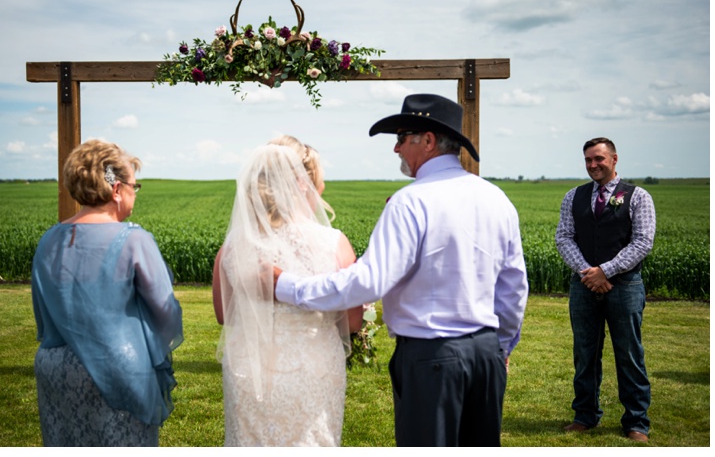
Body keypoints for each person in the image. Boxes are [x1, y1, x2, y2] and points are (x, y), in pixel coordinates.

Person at [274, 93, 529, 447]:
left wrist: (287, 287)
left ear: (427, 141)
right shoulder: (496, 198)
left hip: (431, 357)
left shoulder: (410, 202)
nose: (395, 149)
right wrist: (500, 348)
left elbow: (371, 280)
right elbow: (513, 286)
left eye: (401, 137)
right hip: (485, 355)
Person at [31, 139, 184, 446]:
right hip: (118, 368)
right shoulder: (133, 239)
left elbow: (42, 312)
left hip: (56, 369)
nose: (134, 194)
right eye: (133, 186)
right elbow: (165, 311)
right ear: (116, 190)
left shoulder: (49, 239)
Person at [212, 143, 363, 446]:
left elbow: (222, 314)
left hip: (248, 369)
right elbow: (354, 322)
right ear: (301, 184)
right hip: (314, 366)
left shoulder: (232, 247)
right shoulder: (333, 243)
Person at [555, 137, 655, 443]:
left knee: (629, 354)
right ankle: (585, 415)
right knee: (584, 353)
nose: (593, 165)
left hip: (625, 286)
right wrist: (588, 273)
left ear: (614, 159)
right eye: (588, 160)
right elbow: (564, 237)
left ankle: (636, 421)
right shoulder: (574, 196)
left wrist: (605, 271)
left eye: (598, 159)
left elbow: (642, 242)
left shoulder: (638, 197)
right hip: (583, 286)